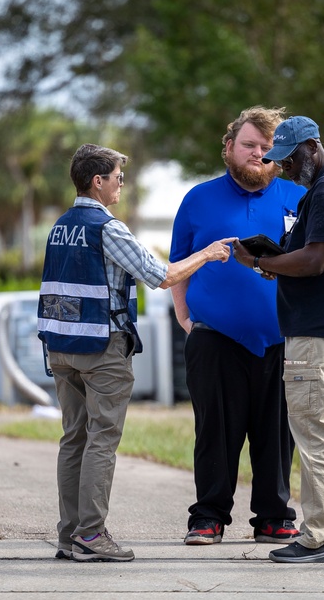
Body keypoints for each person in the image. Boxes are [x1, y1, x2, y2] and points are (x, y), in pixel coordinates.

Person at [38, 143, 234, 562]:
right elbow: (160, 276)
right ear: (98, 181)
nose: (120, 184)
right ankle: (91, 536)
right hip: (102, 347)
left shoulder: (59, 226)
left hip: (60, 348)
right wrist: (209, 252)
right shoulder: (108, 228)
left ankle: (69, 534)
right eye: (117, 177)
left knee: (73, 438)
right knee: (101, 440)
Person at [231, 116, 324, 563]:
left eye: (289, 159)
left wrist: (258, 262)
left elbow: (313, 261)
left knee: (314, 435)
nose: (285, 169)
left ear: (311, 147)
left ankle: (319, 535)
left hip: (315, 333)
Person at [170, 106, 306, 546]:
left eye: (267, 149)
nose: (258, 155)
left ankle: (273, 517)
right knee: (215, 431)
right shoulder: (198, 199)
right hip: (215, 338)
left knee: (277, 434)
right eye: (250, 145)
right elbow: (178, 265)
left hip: (280, 338)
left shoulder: (296, 197)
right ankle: (207, 517)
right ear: (229, 148)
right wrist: (183, 315)